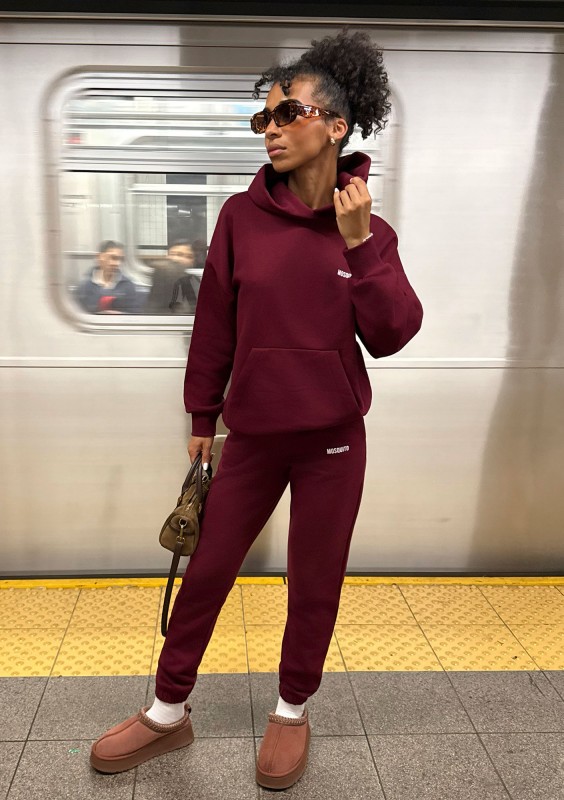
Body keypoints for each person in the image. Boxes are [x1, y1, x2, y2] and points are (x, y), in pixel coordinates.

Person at [90, 30, 423, 789]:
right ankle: (167, 712)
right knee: (206, 570)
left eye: (286, 113)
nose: (269, 130)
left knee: (314, 582)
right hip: (253, 436)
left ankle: (291, 710)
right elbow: (215, 323)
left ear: (335, 126)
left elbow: (394, 333)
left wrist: (360, 245)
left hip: (334, 441)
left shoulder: (370, 231)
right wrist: (201, 419)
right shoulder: (241, 218)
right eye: (261, 119)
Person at [76, 240, 141, 314]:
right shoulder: (85, 286)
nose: (117, 263)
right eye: (113, 258)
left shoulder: (127, 286)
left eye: (120, 259)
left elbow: (133, 315)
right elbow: (78, 314)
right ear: (99, 257)